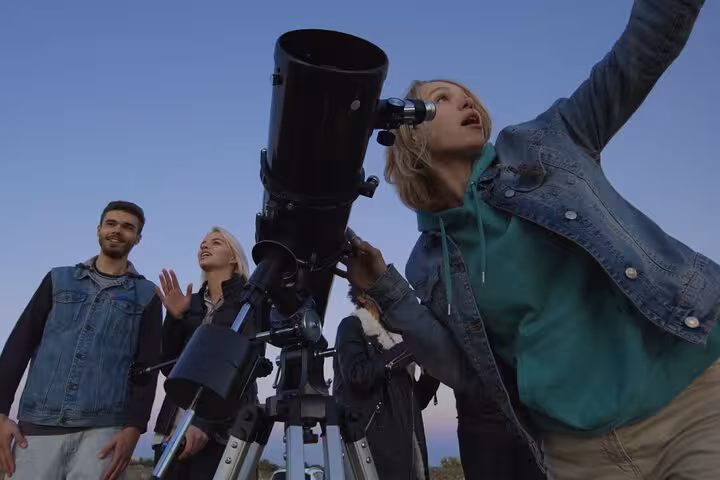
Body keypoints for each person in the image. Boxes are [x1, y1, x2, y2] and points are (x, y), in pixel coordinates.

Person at [340, 1, 720, 479]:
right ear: (408, 132)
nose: (467, 103)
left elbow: (638, 56)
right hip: (580, 454)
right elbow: (469, 374)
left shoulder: (548, 143)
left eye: (469, 97)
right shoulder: (427, 263)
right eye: (444, 98)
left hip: (695, 402)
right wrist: (385, 288)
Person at [0, 200, 163, 480]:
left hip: (104, 432)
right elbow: (18, 345)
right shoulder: (58, 279)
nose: (117, 231)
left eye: (128, 227)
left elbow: (147, 368)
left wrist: (134, 429)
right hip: (38, 426)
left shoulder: (146, 294)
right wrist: (1, 414)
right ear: (99, 229)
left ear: (138, 238)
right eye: (111, 224)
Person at [152, 226, 260, 480]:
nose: (205, 245)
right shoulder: (191, 304)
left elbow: (245, 369)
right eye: (203, 242)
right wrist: (175, 318)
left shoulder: (250, 304)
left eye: (217, 242)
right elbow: (168, 367)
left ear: (234, 257)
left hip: (223, 436)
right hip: (174, 430)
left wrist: (204, 425)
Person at [332, 283, 440, 480]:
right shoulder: (351, 326)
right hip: (371, 448)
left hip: (409, 450)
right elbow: (358, 377)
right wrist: (411, 347)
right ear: (363, 296)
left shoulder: (396, 339)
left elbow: (414, 403)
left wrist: (432, 374)